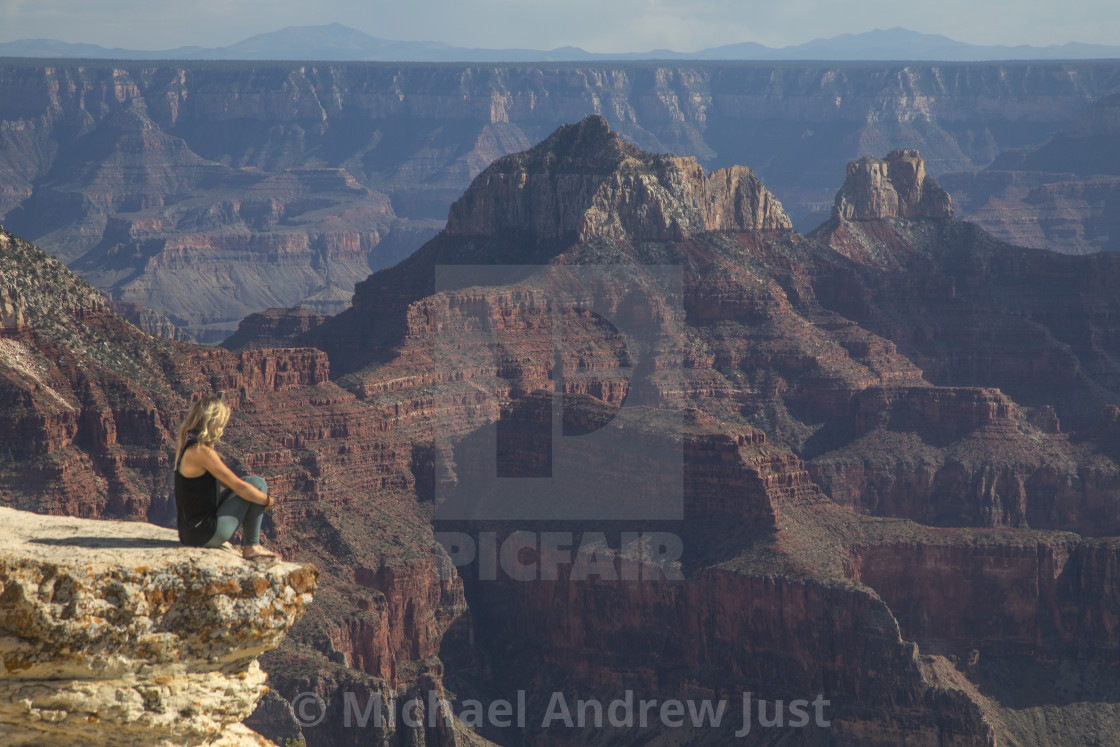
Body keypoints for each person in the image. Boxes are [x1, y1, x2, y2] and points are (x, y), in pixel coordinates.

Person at [174, 393, 280, 560]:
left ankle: (253, 544)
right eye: (222, 423)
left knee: (252, 482)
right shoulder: (202, 452)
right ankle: (252, 546)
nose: (223, 429)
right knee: (257, 484)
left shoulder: (188, 446)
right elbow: (238, 487)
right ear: (214, 423)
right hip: (205, 533)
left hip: (190, 531)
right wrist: (266, 501)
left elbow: (226, 483)